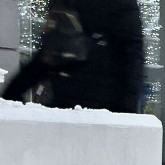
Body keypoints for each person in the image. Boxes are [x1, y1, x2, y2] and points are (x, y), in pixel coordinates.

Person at [2, 0, 144, 113]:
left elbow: (51, 50)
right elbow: (133, 54)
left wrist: (15, 90)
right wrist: (127, 110)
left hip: (70, 102)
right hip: (99, 105)